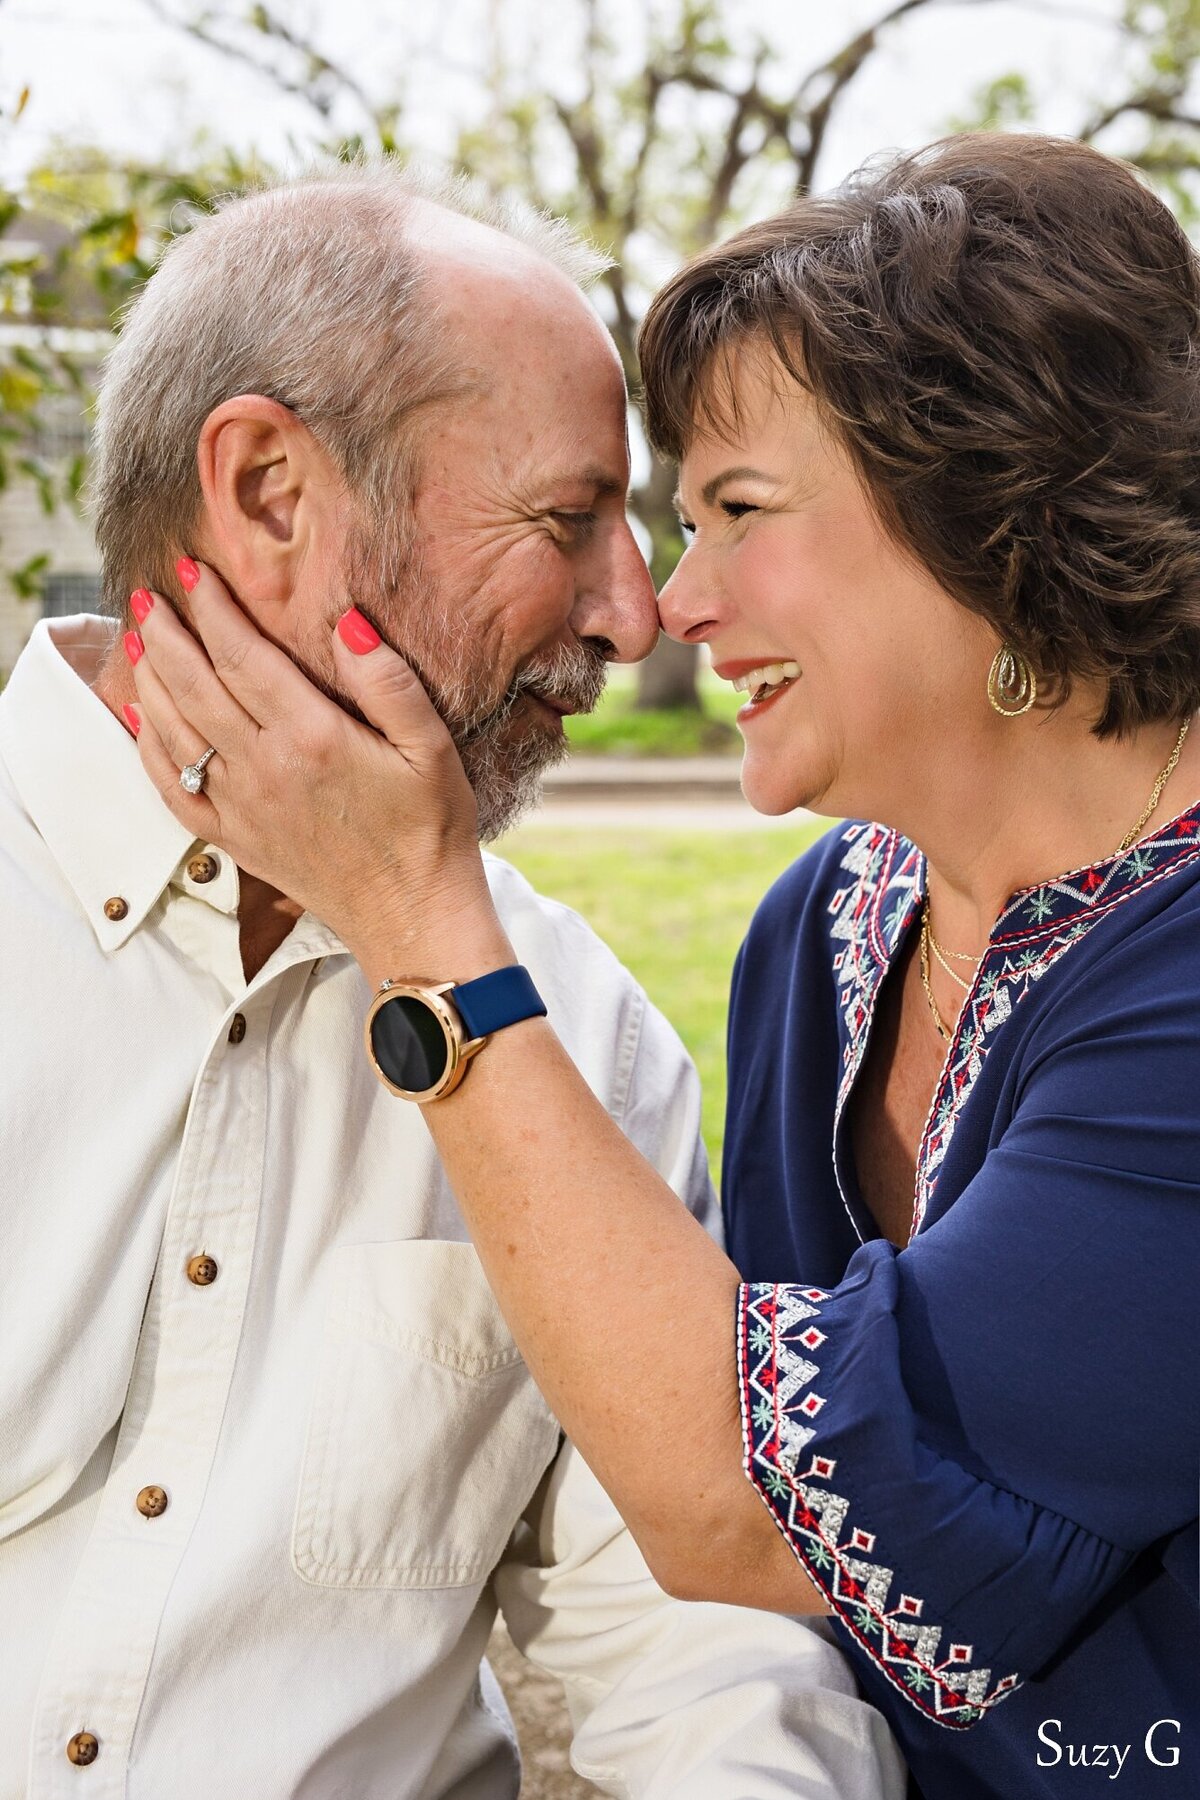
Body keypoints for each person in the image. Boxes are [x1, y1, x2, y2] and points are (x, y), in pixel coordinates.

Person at [127, 134, 1200, 1800]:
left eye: (736, 516)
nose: (665, 608)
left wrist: (423, 925)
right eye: (632, 519)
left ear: (997, 506)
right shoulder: (822, 934)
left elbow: (757, 1513)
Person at [0, 165, 906, 1799]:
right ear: (271, 492)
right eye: (566, 521)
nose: (637, 617)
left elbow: (700, 1644)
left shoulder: (588, 1040)